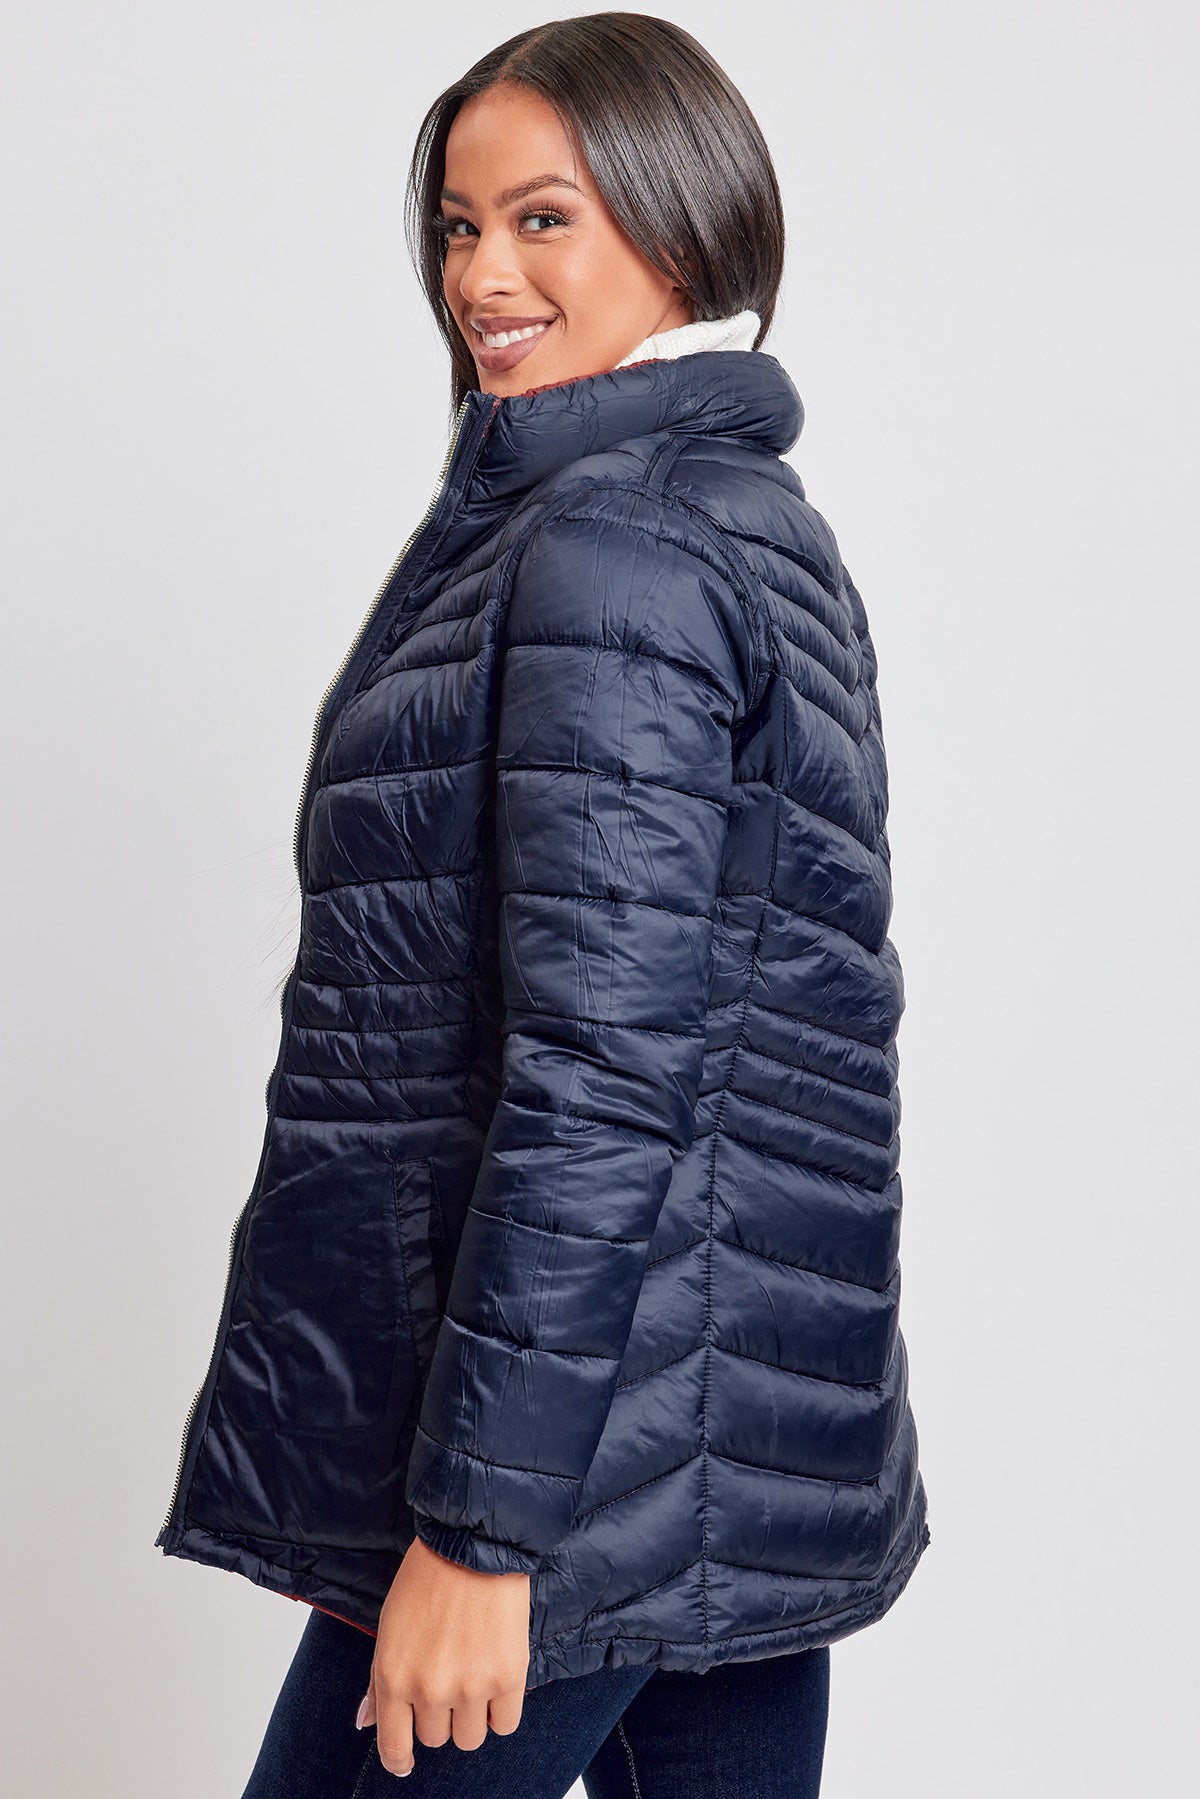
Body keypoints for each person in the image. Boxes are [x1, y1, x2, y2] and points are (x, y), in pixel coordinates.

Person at [154, 13, 931, 1795]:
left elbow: (600, 1072)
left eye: (543, 219)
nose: (479, 276)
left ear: (685, 220)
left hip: (571, 1478)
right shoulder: (734, 516)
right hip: (717, 1438)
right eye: (457, 225)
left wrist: (482, 1536)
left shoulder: (616, 546)